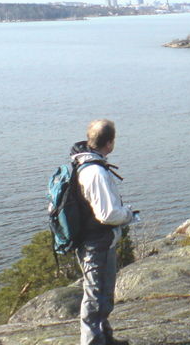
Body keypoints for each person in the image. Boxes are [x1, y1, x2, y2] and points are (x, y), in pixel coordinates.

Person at [71, 119, 133, 345]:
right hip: (96, 241)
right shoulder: (95, 171)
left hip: (93, 239)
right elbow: (107, 214)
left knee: (102, 294)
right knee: (95, 296)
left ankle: (105, 337)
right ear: (109, 142)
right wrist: (128, 215)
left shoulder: (83, 163)